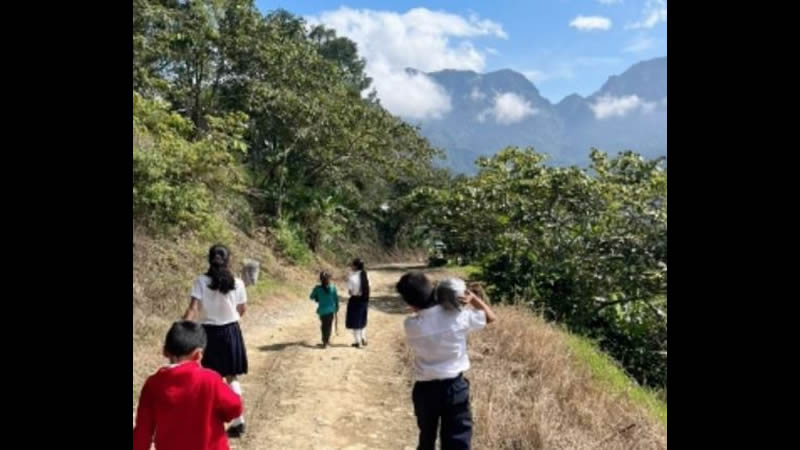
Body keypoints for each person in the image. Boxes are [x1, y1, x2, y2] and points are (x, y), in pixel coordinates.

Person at [396, 273, 498, 450]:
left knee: (426, 437)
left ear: (410, 303)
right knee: (457, 440)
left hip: (425, 391)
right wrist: (473, 299)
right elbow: (490, 317)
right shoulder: (458, 316)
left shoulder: (411, 325)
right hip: (455, 388)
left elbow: (419, 313)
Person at [133, 321, 242, 450]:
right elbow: (235, 407)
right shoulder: (210, 379)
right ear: (198, 354)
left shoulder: (153, 384)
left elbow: (143, 431)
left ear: (164, 351)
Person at [183, 244, 249, 438]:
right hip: (230, 331)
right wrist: (229, 318)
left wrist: (183, 330)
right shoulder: (238, 283)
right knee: (231, 376)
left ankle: (210, 422)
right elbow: (242, 309)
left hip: (208, 334)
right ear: (228, 260)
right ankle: (238, 422)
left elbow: (193, 309)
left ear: (209, 259)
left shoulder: (201, 281)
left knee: (209, 378)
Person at [310, 271, 339, 348]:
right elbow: (336, 299)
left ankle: (325, 342)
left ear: (321, 279)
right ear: (329, 279)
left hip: (322, 311)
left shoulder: (317, 288)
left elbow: (311, 297)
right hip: (331, 310)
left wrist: (317, 297)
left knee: (324, 326)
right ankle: (326, 341)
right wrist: (337, 308)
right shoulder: (333, 287)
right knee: (328, 325)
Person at [345, 258, 370, 348]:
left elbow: (350, 292)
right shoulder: (366, 275)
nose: (351, 266)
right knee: (362, 319)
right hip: (364, 300)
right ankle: (363, 338)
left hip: (355, 300)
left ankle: (357, 341)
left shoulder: (351, 277)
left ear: (355, 266)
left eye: (352, 265)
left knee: (355, 321)